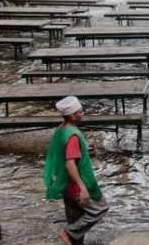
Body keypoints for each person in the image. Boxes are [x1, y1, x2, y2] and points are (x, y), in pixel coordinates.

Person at [44, 96, 108, 245]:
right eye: (80, 112)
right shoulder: (73, 135)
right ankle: (68, 232)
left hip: (65, 185)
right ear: (72, 116)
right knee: (101, 208)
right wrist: (82, 187)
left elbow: (63, 153)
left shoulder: (61, 129)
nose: (82, 114)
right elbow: (70, 163)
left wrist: (84, 149)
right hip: (75, 187)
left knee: (76, 227)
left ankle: (71, 234)